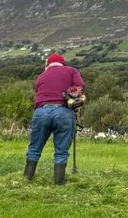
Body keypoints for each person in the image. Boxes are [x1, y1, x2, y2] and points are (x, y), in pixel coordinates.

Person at [24, 53, 86, 184]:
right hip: (63, 112)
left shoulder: (41, 76)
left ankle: (26, 180)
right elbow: (80, 86)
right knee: (61, 151)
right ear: (63, 63)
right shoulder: (71, 70)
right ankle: (58, 184)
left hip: (41, 112)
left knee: (34, 148)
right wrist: (72, 95)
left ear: (47, 65)